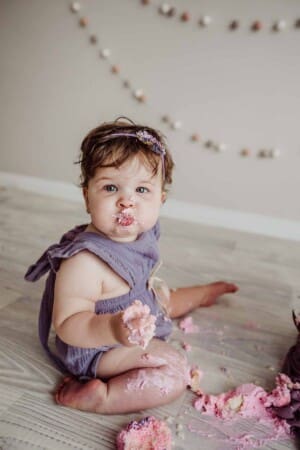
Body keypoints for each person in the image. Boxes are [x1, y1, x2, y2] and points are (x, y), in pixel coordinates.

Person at [25, 118, 238, 415]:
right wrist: (113, 329)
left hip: (137, 307)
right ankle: (103, 397)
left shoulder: (145, 232)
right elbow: (69, 326)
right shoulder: (84, 262)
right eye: (111, 188)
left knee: (162, 299)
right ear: (87, 197)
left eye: (142, 190)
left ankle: (202, 294)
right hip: (98, 348)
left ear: (160, 200)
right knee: (173, 372)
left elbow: (145, 284)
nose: (127, 202)